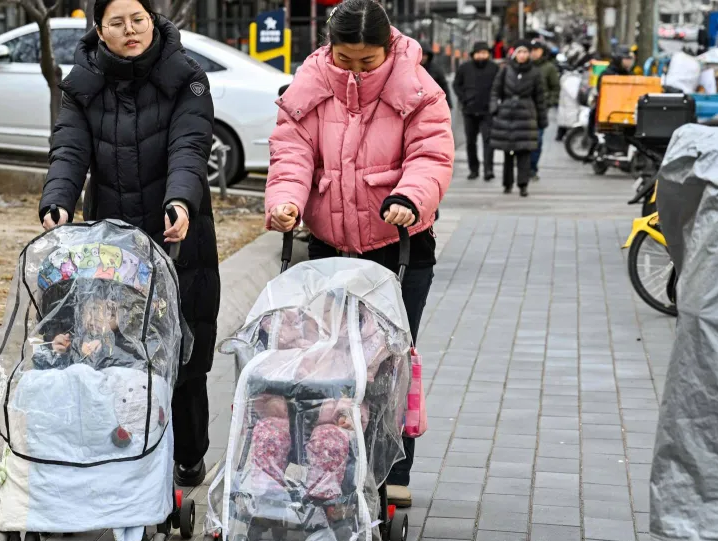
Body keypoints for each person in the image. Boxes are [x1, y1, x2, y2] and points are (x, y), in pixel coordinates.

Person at [263, 0, 454, 508]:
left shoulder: (419, 90)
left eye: (367, 61)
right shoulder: (310, 83)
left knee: (388, 363)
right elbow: (292, 151)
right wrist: (285, 201)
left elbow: (431, 157)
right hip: (329, 248)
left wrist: (410, 199)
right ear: (330, 48)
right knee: (327, 362)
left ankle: (393, 470)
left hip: (400, 248)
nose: (354, 70)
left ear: (388, 49)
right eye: (344, 59)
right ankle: (331, 462)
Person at [38, 0, 220, 488]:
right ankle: (119, 455)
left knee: (183, 349)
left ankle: (187, 452)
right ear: (99, 29)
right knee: (111, 348)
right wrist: (58, 201)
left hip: (178, 233)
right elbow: (69, 148)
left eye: (137, 19)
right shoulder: (82, 83)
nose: (130, 31)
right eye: (116, 23)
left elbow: (190, 146)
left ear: (153, 19)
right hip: (112, 238)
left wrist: (181, 202)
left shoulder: (186, 77)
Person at [490, 40, 547, 197]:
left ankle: (523, 184)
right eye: (520, 52)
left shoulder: (535, 73)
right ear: (515, 54)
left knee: (524, 152)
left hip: (526, 115)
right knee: (508, 152)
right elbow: (496, 90)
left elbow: (540, 97)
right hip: (507, 114)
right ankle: (507, 183)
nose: (522, 55)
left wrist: (542, 119)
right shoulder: (506, 70)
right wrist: (495, 108)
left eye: (525, 52)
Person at [454, 41, 499, 181]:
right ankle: (473, 169)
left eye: (485, 53)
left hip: (487, 111)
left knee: (488, 141)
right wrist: (464, 98)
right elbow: (456, 85)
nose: (482, 56)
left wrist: (495, 103)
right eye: (479, 53)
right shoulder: (464, 68)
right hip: (469, 110)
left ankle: (488, 169)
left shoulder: (494, 68)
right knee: (470, 142)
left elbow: (499, 86)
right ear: (474, 54)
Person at [529, 40, 559, 180]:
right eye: (532, 50)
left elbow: (555, 88)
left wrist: (548, 102)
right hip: (524, 110)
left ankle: (532, 168)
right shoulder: (526, 66)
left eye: (537, 50)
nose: (534, 52)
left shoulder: (549, 68)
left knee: (538, 139)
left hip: (540, 109)